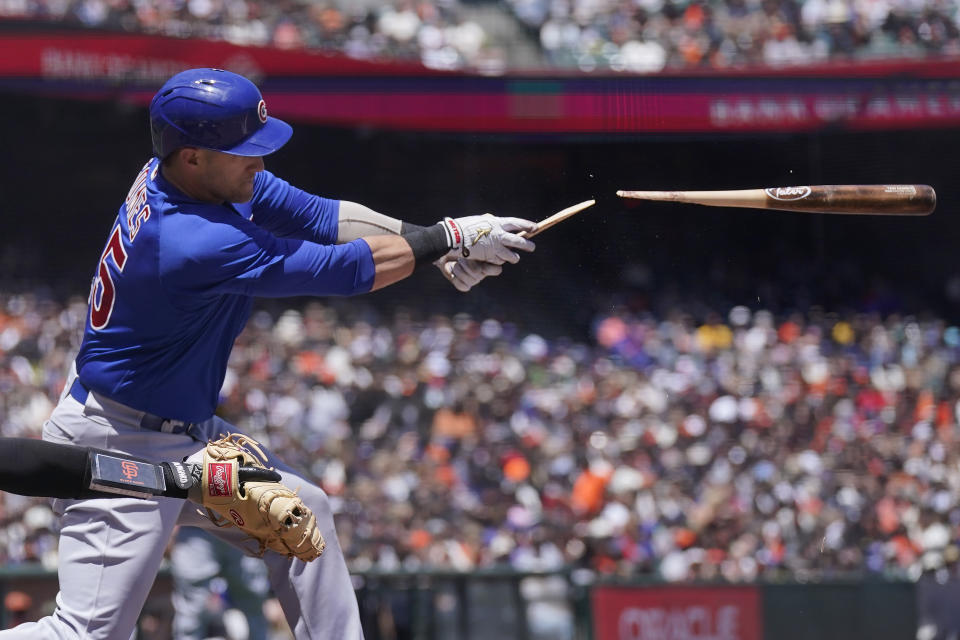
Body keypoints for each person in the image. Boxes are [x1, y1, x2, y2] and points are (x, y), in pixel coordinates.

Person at [0, 67, 536, 640]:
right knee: (86, 635)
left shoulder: (191, 178)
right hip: (117, 441)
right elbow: (342, 268)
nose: (259, 161)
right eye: (243, 151)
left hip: (181, 428)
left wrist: (439, 240)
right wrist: (448, 240)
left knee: (304, 519)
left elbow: (321, 217)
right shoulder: (189, 238)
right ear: (194, 157)